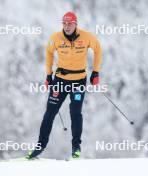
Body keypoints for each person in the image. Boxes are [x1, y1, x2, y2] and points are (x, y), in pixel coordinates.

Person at [26, 11, 102, 159]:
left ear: (75, 24)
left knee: (75, 113)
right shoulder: (55, 38)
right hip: (60, 80)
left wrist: (95, 72)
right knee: (50, 113)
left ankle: (76, 148)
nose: (67, 27)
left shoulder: (87, 37)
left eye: (70, 24)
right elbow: (48, 52)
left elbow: (98, 50)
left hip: (79, 80)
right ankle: (40, 146)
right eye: (64, 24)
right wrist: (48, 74)